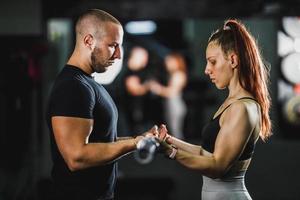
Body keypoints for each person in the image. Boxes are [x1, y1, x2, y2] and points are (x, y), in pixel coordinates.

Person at [156, 19, 272, 200]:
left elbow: (217, 167)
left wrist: (171, 152)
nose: (206, 70)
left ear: (233, 60)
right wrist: (169, 141)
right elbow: (206, 154)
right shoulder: (231, 103)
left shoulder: (242, 108)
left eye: (212, 62)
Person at [46, 9, 155, 200]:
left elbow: (103, 140)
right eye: (113, 45)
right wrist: (133, 144)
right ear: (89, 41)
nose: (119, 55)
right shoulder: (73, 86)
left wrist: (139, 139)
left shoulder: (89, 83)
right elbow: (77, 157)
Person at [149, 52, 187, 139]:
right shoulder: (173, 74)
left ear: (176, 62)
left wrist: (157, 88)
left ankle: (180, 151)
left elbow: (171, 92)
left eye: (169, 62)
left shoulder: (178, 74)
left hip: (174, 105)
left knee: (176, 132)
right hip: (172, 105)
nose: (167, 64)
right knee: (173, 131)